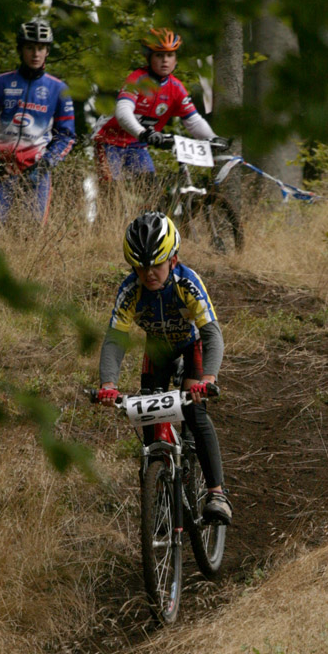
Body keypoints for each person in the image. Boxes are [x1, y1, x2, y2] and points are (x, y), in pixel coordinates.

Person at [94, 211, 232, 526]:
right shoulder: (130, 290)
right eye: (140, 267)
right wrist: (108, 384)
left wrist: (208, 378)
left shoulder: (187, 282)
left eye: (156, 265)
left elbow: (212, 334)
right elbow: (115, 339)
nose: (149, 274)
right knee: (147, 417)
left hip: (192, 347)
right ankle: (157, 492)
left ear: (173, 259)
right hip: (157, 350)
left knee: (194, 412)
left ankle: (217, 494)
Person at [93, 27, 227, 183]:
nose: (165, 60)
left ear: (176, 59)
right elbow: (123, 112)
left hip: (137, 145)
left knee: (150, 187)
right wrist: (142, 133)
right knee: (111, 187)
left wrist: (212, 138)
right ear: (148, 57)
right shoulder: (138, 79)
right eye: (159, 55)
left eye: (170, 55)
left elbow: (193, 121)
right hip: (109, 140)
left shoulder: (176, 87)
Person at [0, 19, 76, 223]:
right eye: (30, 48)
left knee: (33, 228)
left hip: (36, 169)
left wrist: (46, 164)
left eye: (41, 48)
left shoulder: (58, 89)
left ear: (47, 51)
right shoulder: (0, 83)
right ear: (20, 50)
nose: (35, 54)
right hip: (1, 168)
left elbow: (67, 136)